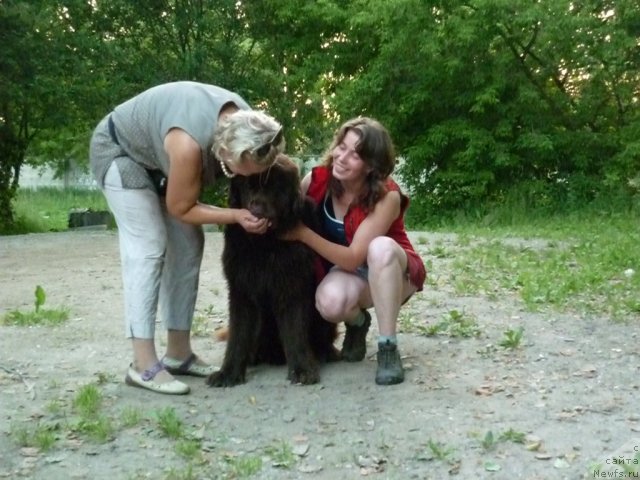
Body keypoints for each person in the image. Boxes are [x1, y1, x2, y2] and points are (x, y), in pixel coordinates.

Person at [89, 81, 284, 395]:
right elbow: (180, 207)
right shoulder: (187, 146)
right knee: (148, 246)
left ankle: (179, 354)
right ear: (227, 154)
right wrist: (235, 216)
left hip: (160, 162)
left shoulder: (251, 124)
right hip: (121, 153)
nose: (251, 178)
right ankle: (143, 365)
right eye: (247, 171)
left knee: (190, 242)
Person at [284, 117, 426, 385]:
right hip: (353, 274)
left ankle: (387, 347)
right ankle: (358, 323)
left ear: (372, 165)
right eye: (341, 146)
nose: (342, 157)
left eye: (355, 155)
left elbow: (352, 258)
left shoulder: (387, 196)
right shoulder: (315, 182)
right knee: (329, 301)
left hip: (394, 270)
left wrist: (303, 234)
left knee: (379, 248)